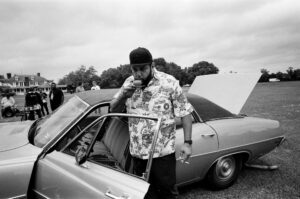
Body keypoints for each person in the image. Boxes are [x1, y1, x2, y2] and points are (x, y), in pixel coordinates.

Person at [110, 47, 193, 199]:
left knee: (167, 193)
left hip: (162, 154)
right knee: (144, 194)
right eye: (135, 69)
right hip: (137, 154)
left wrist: (187, 143)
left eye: (143, 69)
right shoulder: (128, 83)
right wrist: (124, 95)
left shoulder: (169, 82)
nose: (138, 73)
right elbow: (112, 109)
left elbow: (186, 113)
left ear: (152, 65)